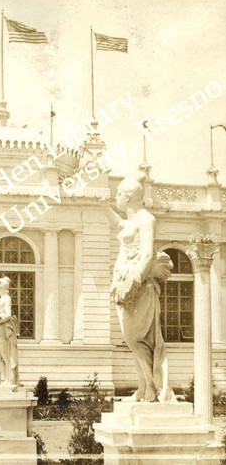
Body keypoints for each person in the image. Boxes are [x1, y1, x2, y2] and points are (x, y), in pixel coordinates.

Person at [100, 173, 175, 403]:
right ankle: (144, 389)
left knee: (136, 337)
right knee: (132, 338)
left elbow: (148, 253)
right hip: (125, 286)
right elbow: (117, 223)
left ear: (129, 196)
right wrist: (102, 205)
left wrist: (135, 280)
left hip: (139, 287)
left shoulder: (146, 219)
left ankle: (154, 389)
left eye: (119, 195)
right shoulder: (131, 221)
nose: (116, 198)